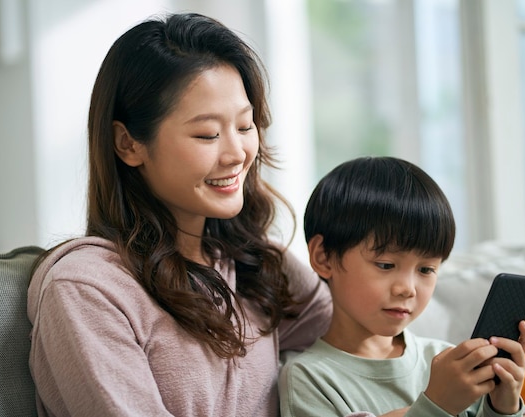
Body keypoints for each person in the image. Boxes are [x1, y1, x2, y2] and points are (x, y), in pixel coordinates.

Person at [27, 12, 332, 417]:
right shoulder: (88, 289)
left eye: (245, 126)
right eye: (207, 134)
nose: (237, 153)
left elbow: (359, 335)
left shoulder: (254, 264)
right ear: (128, 143)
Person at [279, 156, 525, 417]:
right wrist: (438, 405)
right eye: (386, 265)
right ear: (323, 257)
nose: (407, 289)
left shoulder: (445, 360)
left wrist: (504, 407)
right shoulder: (308, 379)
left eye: (426, 270)